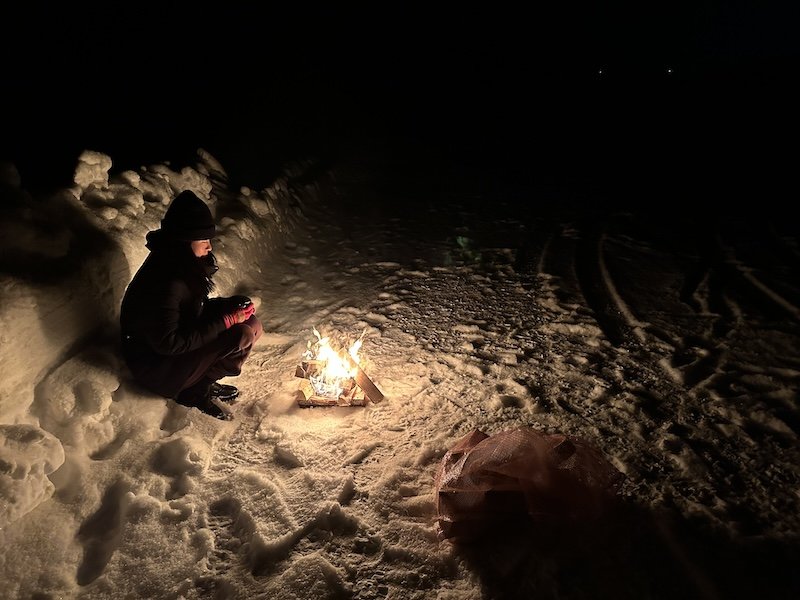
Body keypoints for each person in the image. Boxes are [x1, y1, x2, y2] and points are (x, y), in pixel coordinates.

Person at [120, 189, 263, 419]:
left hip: (169, 355)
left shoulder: (180, 264)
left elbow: (192, 311)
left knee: (252, 323)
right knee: (241, 334)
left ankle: (201, 382)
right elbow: (170, 343)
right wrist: (226, 321)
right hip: (156, 368)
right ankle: (192, 391)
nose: (209, 247)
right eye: (204, 240)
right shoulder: (166, 280)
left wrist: (231, 306)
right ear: (185, 241)